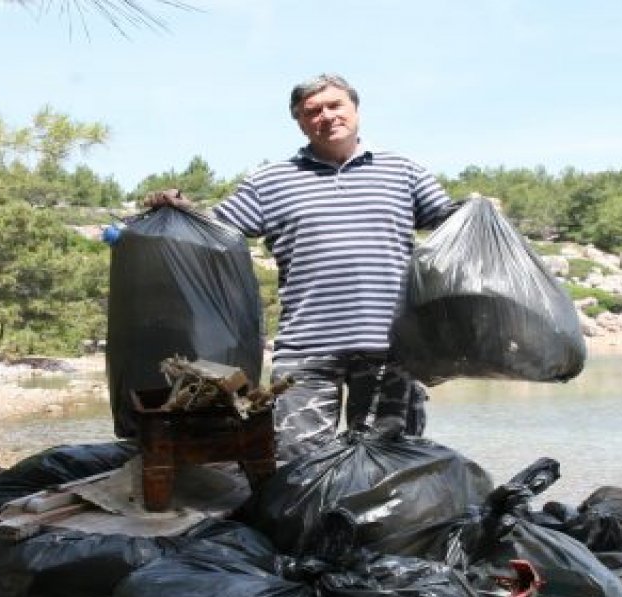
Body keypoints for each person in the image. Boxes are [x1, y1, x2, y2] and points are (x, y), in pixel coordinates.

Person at [144, 73, 457, 460]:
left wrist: (478, 214)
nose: (326, 116)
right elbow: (215, 230)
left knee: (391, 464)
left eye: (335, 105)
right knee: (300, 464)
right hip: (307, 350)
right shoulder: (270, 181)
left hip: (390, 348)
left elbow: (450, 225)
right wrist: (179, 209)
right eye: (313, 111)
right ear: (299, 121)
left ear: (355, 109)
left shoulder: (404, 171)